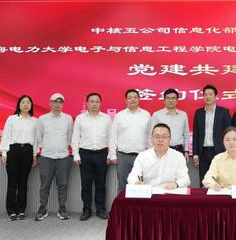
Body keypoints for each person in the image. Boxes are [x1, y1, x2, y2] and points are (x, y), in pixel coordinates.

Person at [71, 92, 111, 221]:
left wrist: (111, 154)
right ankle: (86, 209)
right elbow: (75, 138)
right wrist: (76, 155)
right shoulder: (80, 118)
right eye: (92, 101)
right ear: (87, 103)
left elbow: (111, 137)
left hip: (102, 154)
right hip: (85, 154)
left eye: (97, 101)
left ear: (100, 103)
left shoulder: (106, 118)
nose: (94, 104)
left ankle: (101, 209)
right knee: (86, 184)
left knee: (101, 184)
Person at [0, 95, 38, 221]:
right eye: (23, 102)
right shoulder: (11, 119)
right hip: (13, 151)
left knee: (23, 183)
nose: (25, 105)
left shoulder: (35, 121)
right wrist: (4, 153)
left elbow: (36, 139)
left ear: (31, 105)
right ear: (19, 105)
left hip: (28, 151)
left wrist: (34, 155)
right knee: (12, 183)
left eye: (28, 102)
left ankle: (21, 210)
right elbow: (6, 135)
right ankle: (11, 211)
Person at [35, 93, 73, 221]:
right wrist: (45, 147)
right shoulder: (42, 119)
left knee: (63, 184)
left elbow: (69, 138)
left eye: (60, 102)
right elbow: (39, 138)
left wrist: (63, 147)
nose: (57, 104)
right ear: (50, 103)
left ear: (63, 104)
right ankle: (42, 208)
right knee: (45, 184)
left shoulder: (68, 119)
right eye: (55, 102)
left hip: (63, 156)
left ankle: (62, 208)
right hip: (46, 156)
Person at [109, 89, 151, 191]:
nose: (132, 99)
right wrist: (112, 154)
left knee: (141, 185)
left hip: (141, 156)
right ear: (126, 100)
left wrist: (150, 154)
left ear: (139, 99)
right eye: (130, 98)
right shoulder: (119, 116)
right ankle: (121, 202)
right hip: (123, 156)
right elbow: (113, 136)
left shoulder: (146, 115)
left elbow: (150, 136)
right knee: (122, 186)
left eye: (135, 97)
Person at [127, 123, 190, 188]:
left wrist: (176, 183)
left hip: (170, 192)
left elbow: (185, 179)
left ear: (170, 139)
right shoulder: (142, 156)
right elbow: (132, 176)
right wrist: (136, 182)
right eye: (157, 136)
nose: (160, 140)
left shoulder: (178, 156)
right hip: (149, 192)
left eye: (164, 137)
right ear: (151, 138)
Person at [192, 84, 231, 187]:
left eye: (210, 94)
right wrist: (195, 154)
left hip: (219, 152)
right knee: (204, 181)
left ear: (215, 96)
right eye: (205, 95)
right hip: (203, 152)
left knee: (220, 180)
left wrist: (227, 151)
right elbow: (196, 134)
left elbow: (229, 134)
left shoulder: (224, 112)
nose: (208, 97)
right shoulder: (199, 113)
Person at [150, 88, 190, 158]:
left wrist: (186, 150)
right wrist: (152, 151)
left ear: (177, 101)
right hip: (161, 149)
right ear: (164, 100)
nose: (170, 100)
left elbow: (186, 134)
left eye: (173, 98)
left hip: (178, 150)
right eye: (168, 98)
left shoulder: (183, 115)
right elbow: (152, 135)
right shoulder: (157, 115)